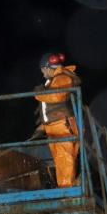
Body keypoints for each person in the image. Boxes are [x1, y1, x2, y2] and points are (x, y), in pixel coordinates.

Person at [33, 52, 82, 188]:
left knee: (64, 159)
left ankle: (67, 191)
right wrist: (43, 126)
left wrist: (39, 94)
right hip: (56, 126)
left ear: (49, 67)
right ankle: (67, 187)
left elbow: (56, 97)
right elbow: (55, 109)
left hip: (62, 126)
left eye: (43, 70)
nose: (43, 74)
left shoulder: (62, 78)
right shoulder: (55, 80)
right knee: (62, 159)